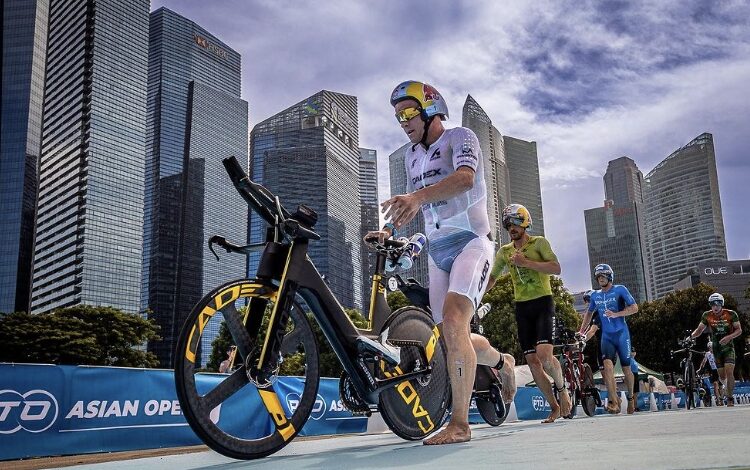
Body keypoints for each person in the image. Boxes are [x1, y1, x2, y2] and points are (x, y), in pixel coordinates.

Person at [368, 80, 516, 445]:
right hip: (438, 252)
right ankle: (502, 362)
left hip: (472, 243)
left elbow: (465, 179)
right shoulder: (411, 154)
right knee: (450, 338)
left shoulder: (461, 137)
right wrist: (388, 229)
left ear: (430, 108)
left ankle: (460, 425)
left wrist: (417, 196)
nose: (402, 121)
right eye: (397, 115)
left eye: (407, 112)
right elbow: (409, 204)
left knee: (453, 321)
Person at [485, 204, 571, 424]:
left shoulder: (539, 243)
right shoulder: (504, 252)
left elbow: (556, 268)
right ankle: (553, 407)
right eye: (507, 224)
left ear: (524, 222)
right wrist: (475, 294)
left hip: (543, 303)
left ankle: (562, 389)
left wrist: (526, 263)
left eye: (514, 223)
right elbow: (493, 277)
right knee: (532, 361)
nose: (511, 228)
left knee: (545, 356)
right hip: (522, 308)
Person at [578, 264, 638, 414]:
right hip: (607, 336)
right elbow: (589, 313)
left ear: (609, 276)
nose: (600, 279)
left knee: (626, 369)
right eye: (598, 277)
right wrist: (581, 331)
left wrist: (617, 314)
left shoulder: (620, 289)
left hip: (622, 333)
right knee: (607, 366)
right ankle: (613, 402)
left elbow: (635, 308)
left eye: (603, 276)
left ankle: (630, 398)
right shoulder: (595, 295)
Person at [688, 293, 742, 407]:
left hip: (728, 347)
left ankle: (730, 397)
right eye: (712, 304)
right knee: (722, 377)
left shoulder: (731, 314)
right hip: (716, 348)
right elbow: (699, 330)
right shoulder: (707, 315)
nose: (715, 306)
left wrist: (729, 337)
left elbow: (739, 330)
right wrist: (690, 337)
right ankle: (727, 387)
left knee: (729, 371)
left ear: (722, 304)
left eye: (718, 304)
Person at [698, 341, 723, 406]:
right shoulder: (707, 354)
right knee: (715, 384)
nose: (710, 348)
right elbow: (703, 362)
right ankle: (718, 400)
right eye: (709, 347)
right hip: (713, 370)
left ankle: (722, 398)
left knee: (720, 385)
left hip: (720, 369)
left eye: (711, 347)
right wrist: (700, 369)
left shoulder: (717, 352)